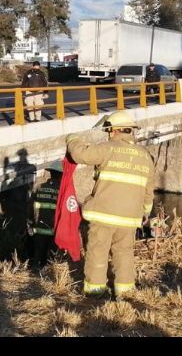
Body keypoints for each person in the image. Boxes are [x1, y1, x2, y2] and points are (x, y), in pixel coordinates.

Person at [66, 111, 155, 300]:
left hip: (104, 214)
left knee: (98, 252)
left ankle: (95, 291)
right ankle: (125, 291)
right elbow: (149, 191)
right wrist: (145, 211)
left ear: (114, 130)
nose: (108, 134)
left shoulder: (108, 148)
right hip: (130, 217)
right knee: (124, 254)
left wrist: (72, 139)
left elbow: (80, 154)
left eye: (109, 131)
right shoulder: (145, 156)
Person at [27, 160, 62, 268]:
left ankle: (34, 272)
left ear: (50, 173)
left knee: (38, 255)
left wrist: (30, 224)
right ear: (62, 175)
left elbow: (30, 208)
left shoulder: (38, 187)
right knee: (50, 259)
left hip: (38, 229)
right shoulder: (62, 190)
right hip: (53, 230)